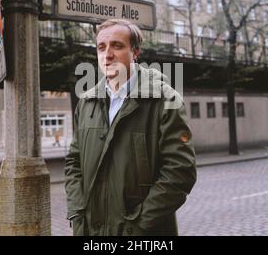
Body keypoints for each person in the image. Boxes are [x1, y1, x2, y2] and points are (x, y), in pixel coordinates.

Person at [65, 19, 197, 236]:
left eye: (117, 46)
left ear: (135, 52)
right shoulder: (87, 102)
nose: (107, 55)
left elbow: (180, 172)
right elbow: (73, 161)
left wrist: (137, 226)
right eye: (101, 47)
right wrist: (78, 211)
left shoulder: (165, 100)